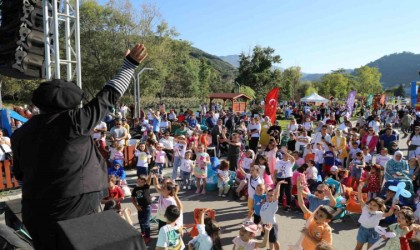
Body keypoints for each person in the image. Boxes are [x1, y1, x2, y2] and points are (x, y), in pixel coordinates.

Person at [11, 43, 147, 249]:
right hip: (75, 207)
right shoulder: (75, 121)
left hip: (35, 210)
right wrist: (130, 64)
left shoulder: (21, 133)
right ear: (73, 105)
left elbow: (20, 175)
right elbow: (109, 94)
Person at [354, 183, 397, 250]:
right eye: (371, 204)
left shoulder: (379, 213)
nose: (371, 206)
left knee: (370, 248)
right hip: (363, 230)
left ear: (379, 208)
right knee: (358, 247)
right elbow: (360, 199)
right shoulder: (365, 208)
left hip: (374, 231)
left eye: (375, 205)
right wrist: (359, 190)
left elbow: (389, 214)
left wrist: (393, 205)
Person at [297, 179, 334, 249]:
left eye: (321, 215)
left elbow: (324, 247)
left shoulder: (326, 230)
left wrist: (307, 235)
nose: (316, 216)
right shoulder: (311, 217)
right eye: (317, 212)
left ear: (327, 220)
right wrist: (299, 189)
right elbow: (301, 204)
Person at [131, 175, 152, 244]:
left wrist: (150, 173)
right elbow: (133, 199)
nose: (141, 183)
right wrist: (136, 206)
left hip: (147, 207)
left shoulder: (146, 186)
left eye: (143, 182)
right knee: (141, 221)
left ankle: (147, 236)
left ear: (145, 182)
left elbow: (148, 181)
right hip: (140, 207)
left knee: (146, 223)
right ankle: (143, 233)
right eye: (139, 181)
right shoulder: (135, 189)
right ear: (137, 180)